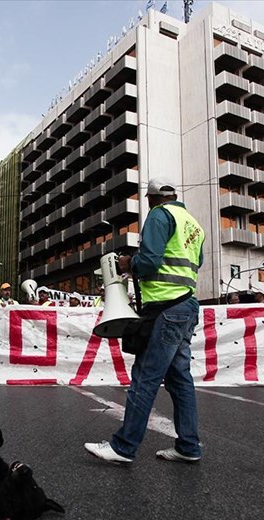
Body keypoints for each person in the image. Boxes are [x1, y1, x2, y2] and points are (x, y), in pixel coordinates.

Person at [85, 176, 205, 464]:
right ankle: (188, 446)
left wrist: (130, 264)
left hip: (165, 307)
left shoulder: (159, 215)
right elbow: (196, 262)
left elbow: (150, 262)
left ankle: (123, 447)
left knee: (144, 377)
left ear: (151, 198)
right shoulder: (192, 223)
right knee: (179, 381)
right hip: (186, 305)